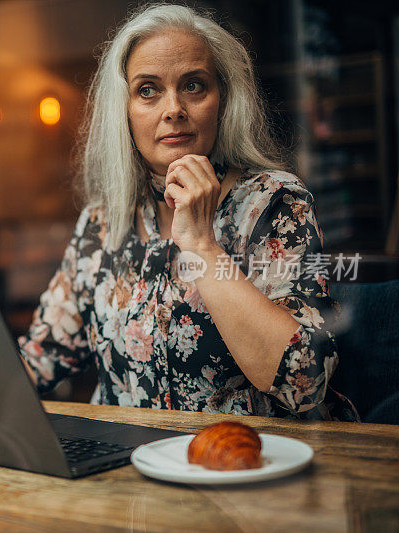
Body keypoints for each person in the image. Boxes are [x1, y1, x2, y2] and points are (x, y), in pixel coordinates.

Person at [18, 3, 358, 421]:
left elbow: (303, 382)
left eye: (194, 85)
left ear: (222, 100)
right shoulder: (102, 223)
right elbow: (41, 359)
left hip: (248, 464)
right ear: (123, 111)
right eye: (148, 89)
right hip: (125, 471)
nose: (173, 108)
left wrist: (201, 246)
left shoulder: (274, 202)